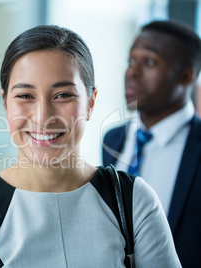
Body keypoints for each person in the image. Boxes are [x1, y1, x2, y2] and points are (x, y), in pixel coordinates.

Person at [0, 25, 181, 267]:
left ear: (91, 103)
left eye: (63, 95)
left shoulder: (134, 200)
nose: (43, 117)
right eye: (25, 96)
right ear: (5, 103)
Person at [102, 20, 201, 267]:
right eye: (131, 61)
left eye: (149, 62)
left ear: (186, 75)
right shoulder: (113, 139)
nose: (132, 72)